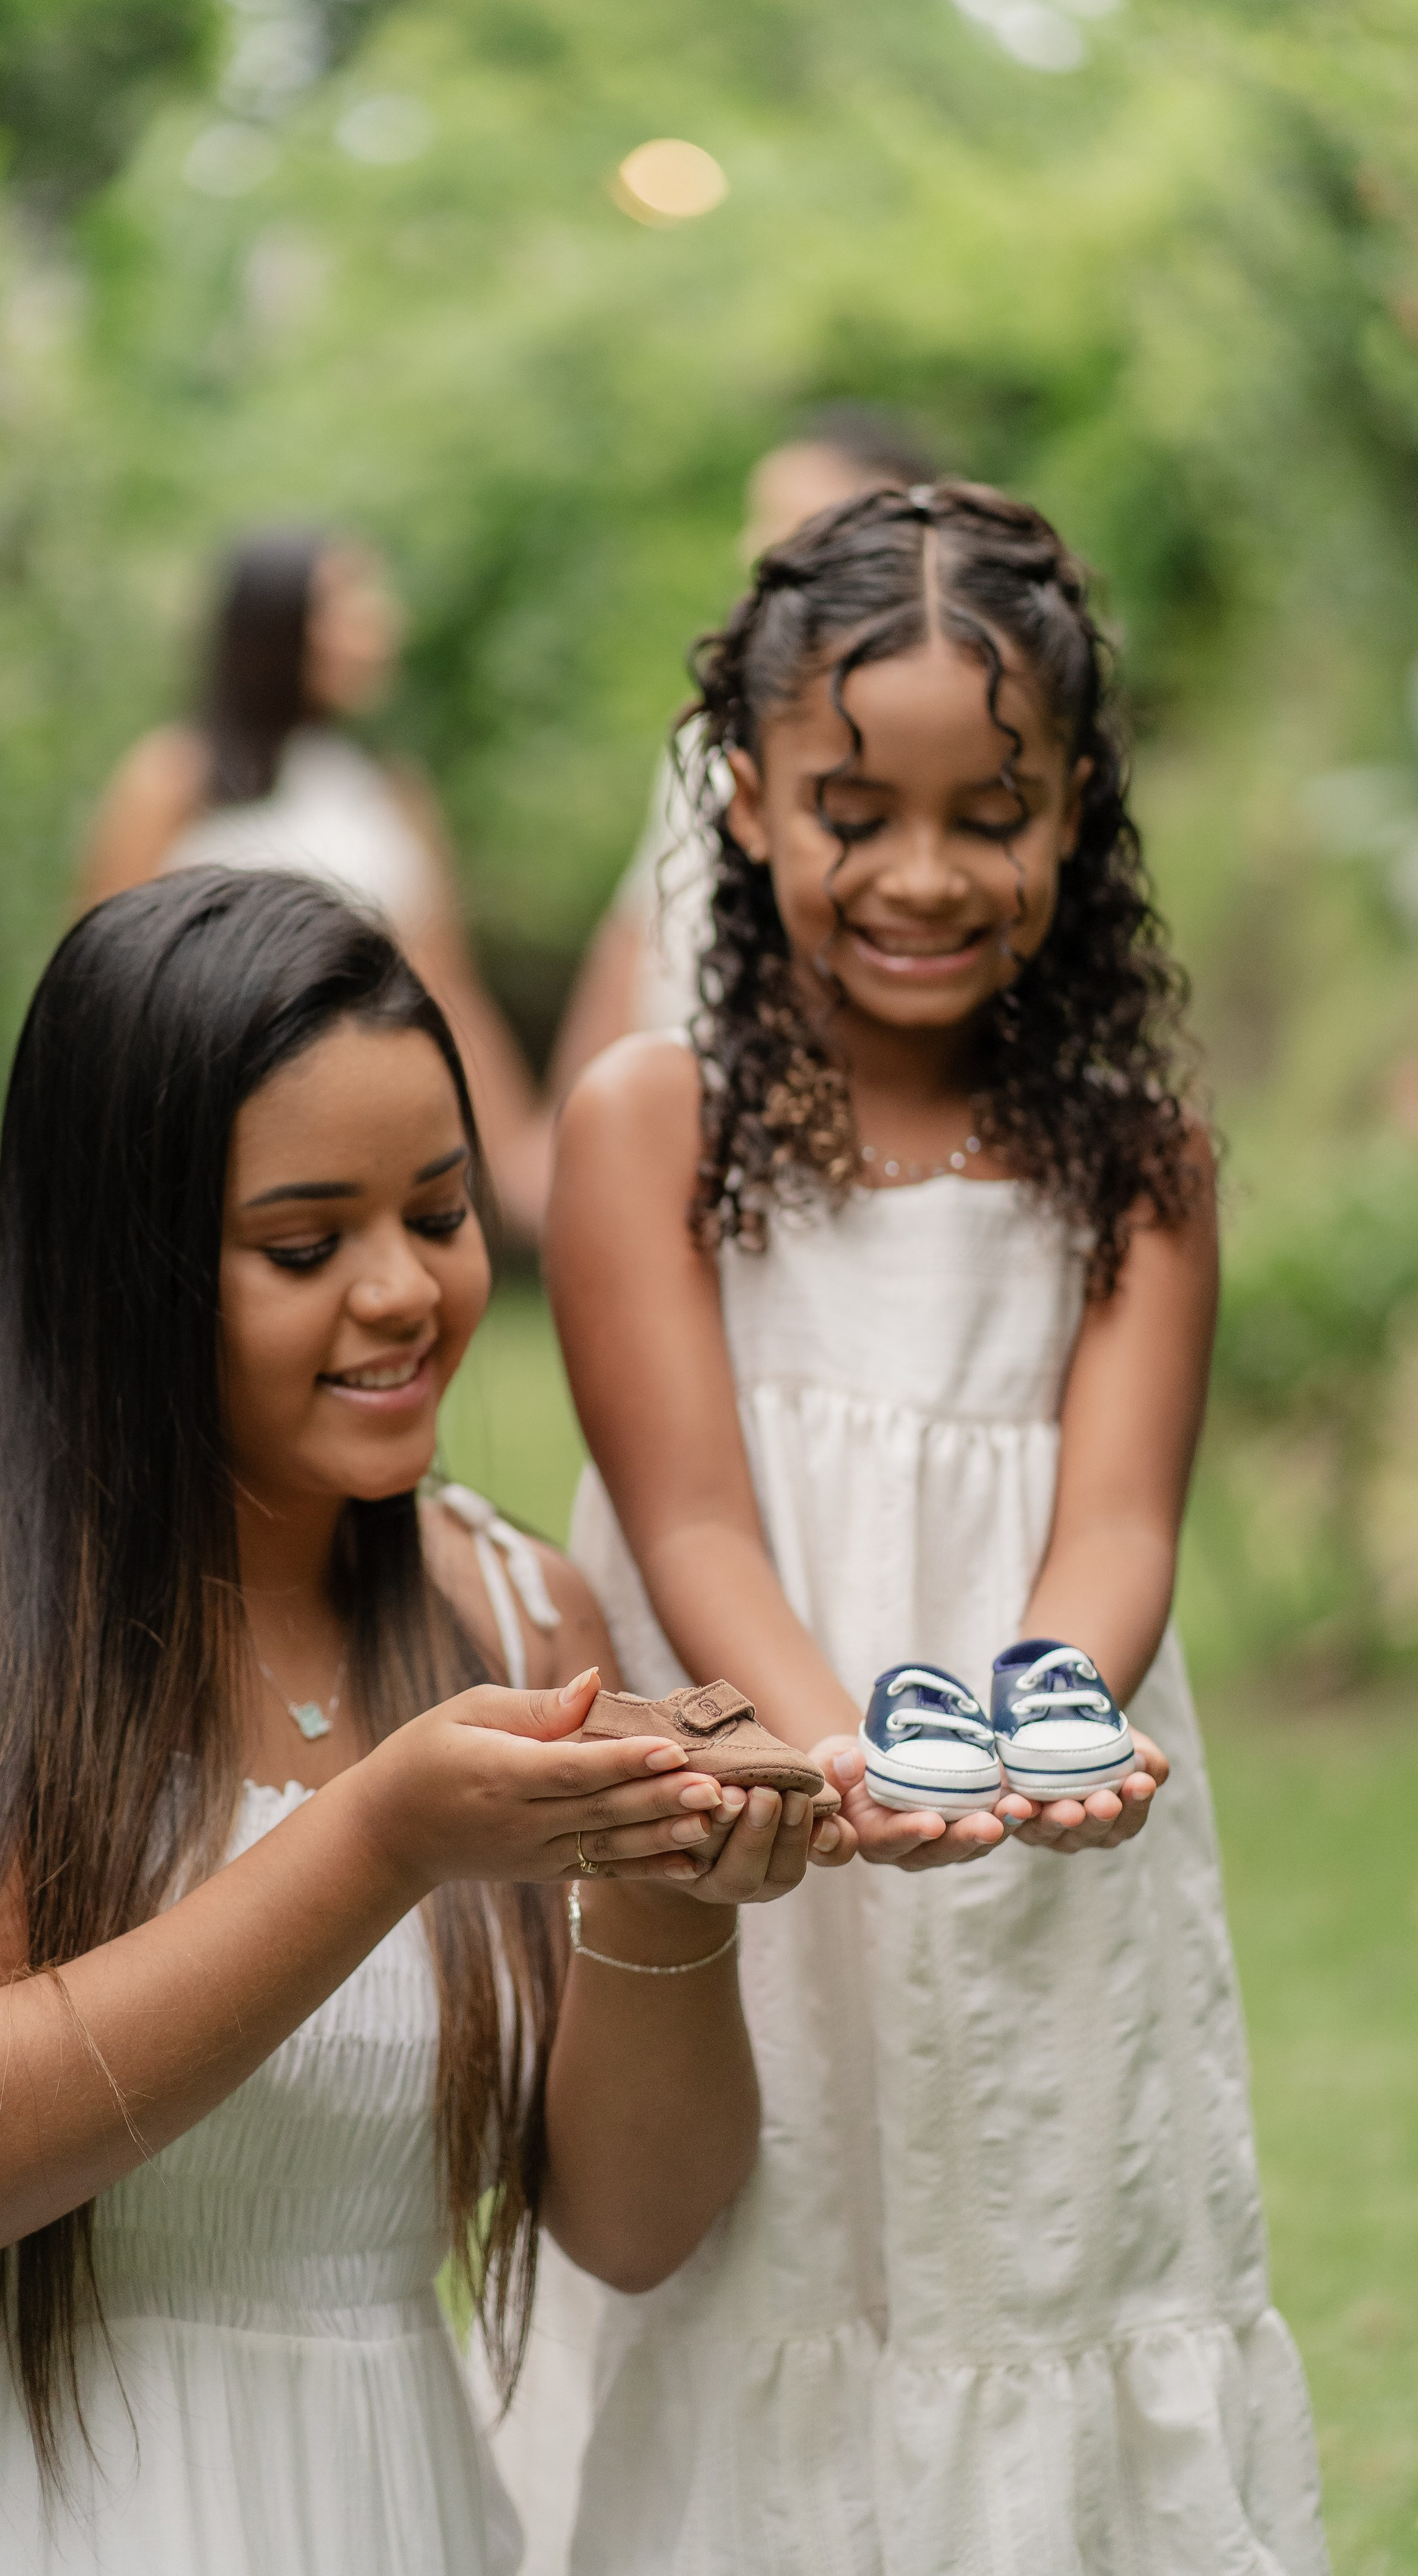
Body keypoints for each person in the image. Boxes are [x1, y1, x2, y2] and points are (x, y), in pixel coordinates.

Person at [0, 869, 842, 2576]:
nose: (401, 1292)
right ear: (122, 1253)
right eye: (302, 1244)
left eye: (441, 1213)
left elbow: (627, 2223)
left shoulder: (512, 1608)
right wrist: (378, 1836)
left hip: (375, 2506)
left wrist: (671, 1894)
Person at [542, 487, 1327, 2570]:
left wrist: (1026, 1710)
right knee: (785, 2264)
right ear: (744, 799)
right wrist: (847, 1760)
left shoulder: (1137, 1161)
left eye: (990, 812)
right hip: (770, 1805)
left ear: (1075, 813)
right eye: (848, 805)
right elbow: (690, 1521)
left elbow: (1119, 1519)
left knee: (1036, 2253)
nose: (918, 872)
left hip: (1044, 1854)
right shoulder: (652, 1120)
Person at [79, 531, 550, 1236]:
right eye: (346, 603)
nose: (379, 622)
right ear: (271, 625)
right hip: (200, 1135)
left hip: (360, 1136)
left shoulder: (392, 794)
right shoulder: (170, 782)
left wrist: (522, 1161)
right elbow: (102, 992)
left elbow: (447, 989)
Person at [548, 406, 940, 1091]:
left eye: (791, 525)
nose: (755, 552)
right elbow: (637, 925)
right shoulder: (709, 731)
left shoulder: (932, 743)